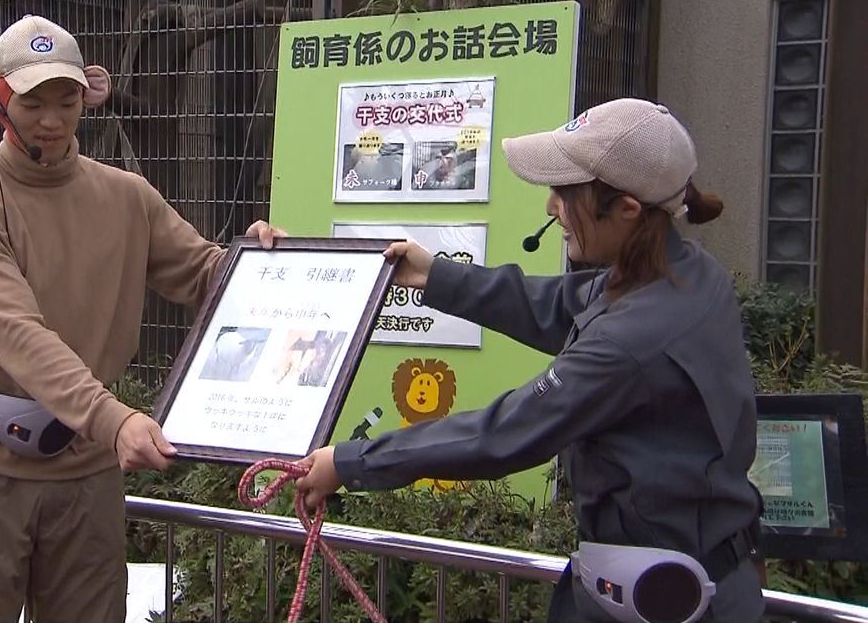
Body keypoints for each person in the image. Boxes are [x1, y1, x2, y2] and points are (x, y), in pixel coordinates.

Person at [295, 98, 766, 621]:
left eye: (565, 192)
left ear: (627, 209)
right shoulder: (682, 274)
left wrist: (350, 461)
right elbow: (558, 304)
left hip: (665, 601)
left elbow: (505, 433)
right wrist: (435, 276)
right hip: (691, 578)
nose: (550, 207)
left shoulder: (631, 339)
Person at [0, 14, 285, 623]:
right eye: (34, 103)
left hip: (86, 465)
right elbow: (19, 334)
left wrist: (271, 265)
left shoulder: (126, 196)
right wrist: (115, 420)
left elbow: (204, 275)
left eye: (68, 100)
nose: (54, 120)